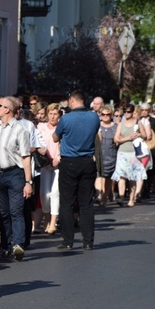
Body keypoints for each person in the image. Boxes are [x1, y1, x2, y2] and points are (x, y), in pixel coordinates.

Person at [52, 90, 99, 251]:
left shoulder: (66, 118)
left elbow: (55, 137)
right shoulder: (94, 117)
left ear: (72, 100)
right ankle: (88, 241)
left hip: (70, 161)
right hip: (87, 161)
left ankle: (68, 241)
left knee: (67, 203)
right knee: (86, 203)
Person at [0, 96, 32, 261]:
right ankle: (4, 246)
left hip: (14, 173)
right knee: (2, 212)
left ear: (8, 109)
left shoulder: (20, 130)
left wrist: (28, 182)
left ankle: (18, 244)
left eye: (0, 105)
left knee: (15, 210)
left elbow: (26, 157)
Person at [111, 105, 148, 208]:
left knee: (132, 177)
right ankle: (122, 197)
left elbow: (145, 136)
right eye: (125, 112)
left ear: (132, 112)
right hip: (122, 152)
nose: (126, 114)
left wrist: (138, 135)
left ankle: (131, 199)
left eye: (128, 112)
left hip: (134, 153)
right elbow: (116, 139)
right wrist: (128, 138)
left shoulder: (138, 123)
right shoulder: (121, 124)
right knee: (122, 176)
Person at [36, 103, 62, 234]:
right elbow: (37, 143)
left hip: (58, 164)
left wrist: (58, 157)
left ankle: (53, 223)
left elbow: (65, 144)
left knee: (55, 193)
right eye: (50, 113)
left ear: (59, 115)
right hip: (45, 164)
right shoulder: (41, 127)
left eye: (55, 114)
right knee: (44, 193)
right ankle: (46, 220)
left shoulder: (62, 127)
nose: (52, 116)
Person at [96, 105, 117, 205]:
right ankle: (99, 194)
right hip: (99, 154)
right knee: (99, 175)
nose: (105, 116)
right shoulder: (96, 125)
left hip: (111, 154)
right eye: (103, 114)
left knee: (108, 177)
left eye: (107, 114)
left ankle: (104, 197)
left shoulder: (116, 126)